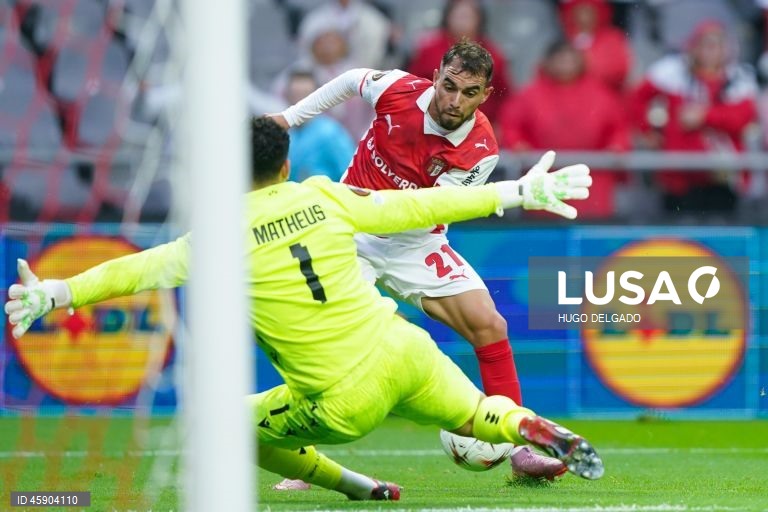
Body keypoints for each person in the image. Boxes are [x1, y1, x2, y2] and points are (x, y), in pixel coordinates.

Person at [5, 117, 602, 502]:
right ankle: (523, 423)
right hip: (405, 350)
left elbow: (132, 271)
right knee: (476, 414)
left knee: (222, 426)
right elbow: (417, 207)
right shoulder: (324, 195)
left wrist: (57, 293)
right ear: (285, 166)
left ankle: (358, 488)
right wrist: (516, 191)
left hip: (343, 396)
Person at [270, 40, 569, 483]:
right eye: (449, 86)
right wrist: (288, 118)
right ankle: (303, 457)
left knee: (489, 325)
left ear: (486, 95)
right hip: (351, 235)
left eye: (469, 93)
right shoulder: (395, 89)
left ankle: (522, 451)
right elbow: (352, 80)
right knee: (329, 344)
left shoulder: (480, 151)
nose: (454, 100)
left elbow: (429, 209)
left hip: (414, 243)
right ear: (435, 78)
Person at [630, 20, 758, 214]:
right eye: (704, 44)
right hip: (679, 177)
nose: (709, 51)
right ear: (693, 46)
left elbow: (742, 118)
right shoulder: (673, 73)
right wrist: (647, 132)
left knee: (720, 234)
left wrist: (705, 116)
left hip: (723, 178)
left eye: (715, 45)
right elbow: (635, 99)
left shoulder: (739, 79)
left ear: (726, 49)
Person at [499, 41, 630, 219]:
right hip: (544, 181)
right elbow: (511, 125)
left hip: (592, 183)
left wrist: (617, 146)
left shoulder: (602, 94)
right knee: (545, 238)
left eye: (571, 58)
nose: (566, 63)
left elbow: (618, 128)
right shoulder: (529, 95)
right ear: (548, 62)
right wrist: (517, 145)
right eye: (560, 58)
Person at [406, 0, 513, 125]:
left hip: (477, 126)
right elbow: (412, 87)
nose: (462, 21)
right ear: (448, 17)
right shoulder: (428, 51)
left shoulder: (494, 55)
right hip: (431, 122)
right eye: (458, 15)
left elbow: (505, 97)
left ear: (479, 19)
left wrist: (498, 125)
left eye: (468, 16)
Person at [284, 69, 356, 182]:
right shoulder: (285, 134)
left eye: (305, 96)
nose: (300, 104)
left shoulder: (331, 133)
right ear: (287, 96)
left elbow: (351, 174)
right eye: (295, 95)